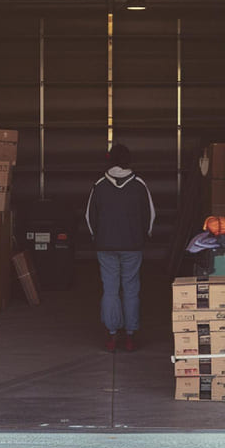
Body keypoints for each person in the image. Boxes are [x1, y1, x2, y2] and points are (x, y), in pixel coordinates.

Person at [84, 144, 156, 352]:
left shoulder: (99, 185)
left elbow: (89, 218)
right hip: (133, 246)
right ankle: (131, 337)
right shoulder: (139, 184)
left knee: (110, 290)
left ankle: (112, 335)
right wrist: (143, 236)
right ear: (129, 161)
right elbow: (150, 217)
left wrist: (97, 237)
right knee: (131, 289)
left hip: (105, 246)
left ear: (110, 161)